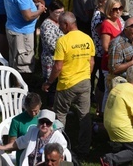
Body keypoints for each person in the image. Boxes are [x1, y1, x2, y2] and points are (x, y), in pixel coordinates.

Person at [42, 12, 95, 158]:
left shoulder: (63, 41)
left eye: (60, 24)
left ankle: (59, 149)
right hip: (85, 83)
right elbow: (91, 62)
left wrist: (48, 82)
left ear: (66, 24)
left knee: (60, 116)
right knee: (84, 116)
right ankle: (84, 149)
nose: (59, 27)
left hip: (67, 84)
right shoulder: (87, 38)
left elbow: (58, 66)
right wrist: (86, 76)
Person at [4, 0, 46, 75]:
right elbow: (27, 16)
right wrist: (40, 11)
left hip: (13, 28)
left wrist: (35, 6)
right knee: (22, 66)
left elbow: (21, 5)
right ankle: (21, 89)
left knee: (14, 60)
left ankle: (16, 85)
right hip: (21, 34)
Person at [101, 65, 133, 166]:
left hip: (108, 122)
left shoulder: (118, 87)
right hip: (120, 127)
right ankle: (109, 159)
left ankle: (122, 149)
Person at [5, 93, 42, 165]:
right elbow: (11, 144)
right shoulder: (17, 121)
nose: (34, 114)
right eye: (31, 111)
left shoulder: (44, 118)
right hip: (24, 157)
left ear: (40, 105)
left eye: (36, 111)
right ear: (25, 107)